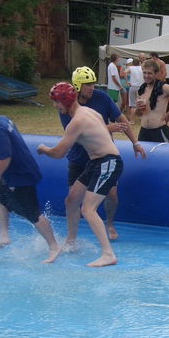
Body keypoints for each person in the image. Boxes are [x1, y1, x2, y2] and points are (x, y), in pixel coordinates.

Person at [0, 102, 61, 263]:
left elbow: (5, 157)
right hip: (14, 173)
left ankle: (54, 246)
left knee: (32, 213)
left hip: (22, 176)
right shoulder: (2, 119)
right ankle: (3, 235)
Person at [37, 82, 124, 267]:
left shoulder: (77, 121)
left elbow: (58, 153)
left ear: (67, 101)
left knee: (88, 208)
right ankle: (71, 241)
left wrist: (43, 148)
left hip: (108, 162)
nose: (55, 105)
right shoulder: (90, 112)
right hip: (96, 162)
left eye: (57, 102)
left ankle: (108, 254)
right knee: (71, 200)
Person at [59, 66, 145, 245]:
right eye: (88, 85)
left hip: (102, 157)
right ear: (77, 86)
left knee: (111, 194)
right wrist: (108, 128)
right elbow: (74, 134)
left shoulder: (101, 97)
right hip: (79, 157)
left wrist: (135, 142)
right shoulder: (68, 105)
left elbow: (121, 119)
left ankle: (110, 223)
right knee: (72, 199)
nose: (92, 87)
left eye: (93, 84)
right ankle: (71, 237)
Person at [134, 59, 169, 143]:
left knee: (164, 152)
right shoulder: (141, 89)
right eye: (144, 73)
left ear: (156, 73)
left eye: (149, 73)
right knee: (142, 152)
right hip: (144, 131)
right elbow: (138, 114)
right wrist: (137, 109)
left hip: (159, 130)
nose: (146, 76)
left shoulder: (164, 87)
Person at [125, 58, 144, 122]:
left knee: (133, 105)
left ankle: (132, 120)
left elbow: (125, 72)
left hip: (133, 87)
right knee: (142, 103)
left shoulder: (131, 68)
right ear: (139, 63)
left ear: (133, 63)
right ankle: (142, 119)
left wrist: (127, 81)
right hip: (141, 87)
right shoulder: (142, 68)